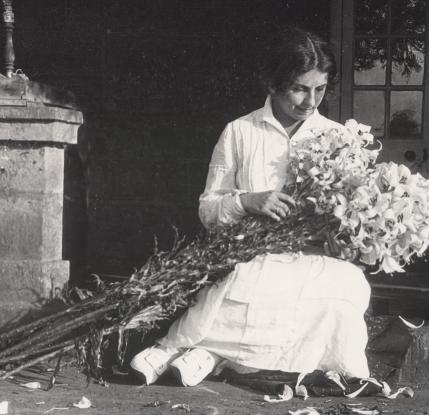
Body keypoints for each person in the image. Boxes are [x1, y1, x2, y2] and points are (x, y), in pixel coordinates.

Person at [130, 26, 371, 387]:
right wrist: (248, 202)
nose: (311, 102)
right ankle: (191, 351)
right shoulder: (240, 132)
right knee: (248, 280)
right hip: (250, 252)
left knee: (346, 287)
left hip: (310, 257)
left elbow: (352, 217)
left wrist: (342, 237)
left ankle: (212, 353)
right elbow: (208, 209)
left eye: (319, 89)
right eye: (300, 89)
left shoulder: (339, 138)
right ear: (273, 84)